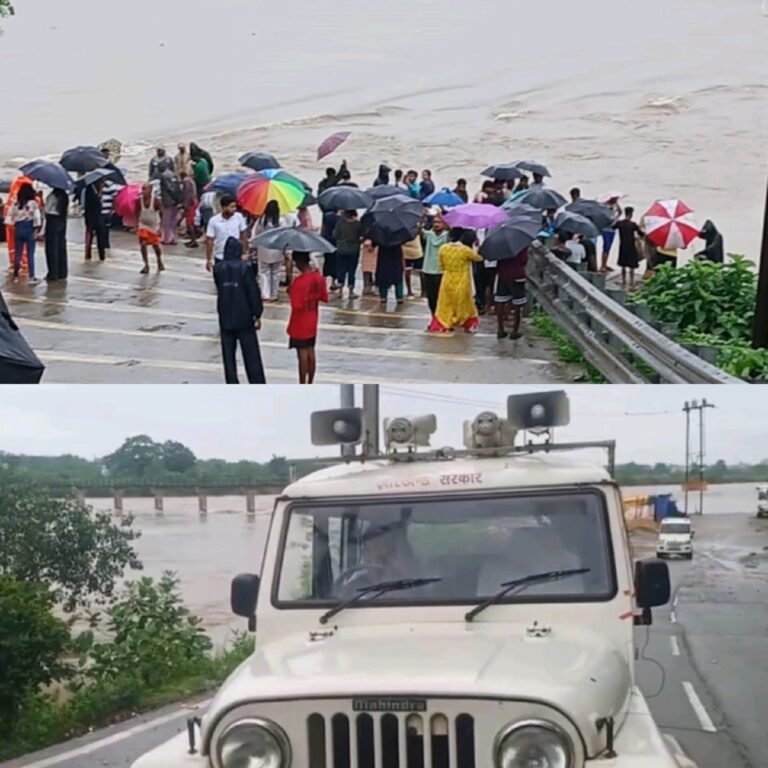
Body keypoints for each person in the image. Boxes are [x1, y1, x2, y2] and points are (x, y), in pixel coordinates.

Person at [213, 236, 266, 384]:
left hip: (225, 316)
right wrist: (257, 313)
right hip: (244, 317)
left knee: (228, 356)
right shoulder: (245, 268)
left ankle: (232, 383)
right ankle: (257, 383)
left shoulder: (218, 269)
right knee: (251, 355)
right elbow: (252, 292)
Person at [428, 227, 483, 333]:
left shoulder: (443, 248)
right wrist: (477, 246)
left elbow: (441, 266)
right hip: (462, 279)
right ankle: (463, 321)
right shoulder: (465, 250)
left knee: (446, 303)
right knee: (463, 302)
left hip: (447, 279)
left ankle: (445, 322)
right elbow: (478, 258)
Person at [287, 251, 328, 384]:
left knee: (302, 354)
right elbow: (324, 297)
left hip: (300, 321)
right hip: (312, 318)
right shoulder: (318, 277)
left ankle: (302, 382)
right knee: (311, 350)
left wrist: (291, 291)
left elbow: (296, 305)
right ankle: (310, 381)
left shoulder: (299, 282)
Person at [252, 200, 291, 301]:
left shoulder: (261, 220)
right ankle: (274, 294)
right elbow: (285, 236)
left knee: (263, 272)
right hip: (277, 250)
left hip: (263, 250)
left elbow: (255, 234)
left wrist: (254, 247)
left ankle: (265, 294)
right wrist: (286, 251)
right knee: (276, 273)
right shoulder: (281, 221)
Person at [7, 183, 42, 284]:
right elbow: (37, 218)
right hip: (29, 228)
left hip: (18, 229)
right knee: (30, 254)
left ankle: (15, 275)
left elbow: (9, 218)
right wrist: (37, 230)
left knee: (18, 252)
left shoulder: (16, 204)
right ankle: (31, 277)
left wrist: (15, 223)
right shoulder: (33, 204)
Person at [205, 194, 249, 273]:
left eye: (235, 206)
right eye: (231, 207)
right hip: (220, 256)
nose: (234, 209)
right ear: (224, 207)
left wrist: (244, 251)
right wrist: (209, 259)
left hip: (236, 256)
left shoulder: (239, 217)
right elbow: (209, 240)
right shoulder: (214, 221)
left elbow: (243, 234)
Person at [495, 248, 529, 340]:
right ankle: (515, 331)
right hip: (517, 275)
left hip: (503, 274)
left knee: (500, 301)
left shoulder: (500, 246)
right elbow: (523, 261)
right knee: (517, 303)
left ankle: (500, 329)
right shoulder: (521, 246)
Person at [421, 213, 449, 319]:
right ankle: (434, 317)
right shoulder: (429, 234)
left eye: (439, 222)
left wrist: (444, 219)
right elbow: (419, 232)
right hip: (428, 270)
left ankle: (441, 317)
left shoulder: (446, 235)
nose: (436, 224)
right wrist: (422, 219)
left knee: (441, 296)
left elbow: (451, 231)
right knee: (431, 297)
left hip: (441, 271)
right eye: (435, 222)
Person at [136, 183, 165, 274]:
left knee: (155, 246)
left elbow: (162, 213)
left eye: (145, 189)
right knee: (143, 244)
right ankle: (146, 265)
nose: (143, 191)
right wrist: (136, 225)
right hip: (143, 225)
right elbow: (137, 212)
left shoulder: (156, 201)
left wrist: (161, 227)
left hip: (153, 225)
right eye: (143, 189)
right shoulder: (139, 201)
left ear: (150, 191)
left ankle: (159, 260)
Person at [333, 209, 363, 298]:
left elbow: (335, 235)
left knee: (341, 269)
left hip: (341, 249)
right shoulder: (358, 224)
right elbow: (361, 236)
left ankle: (340, 290)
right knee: (352, 270)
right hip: (354, 250)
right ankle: (351, 291)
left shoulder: (340, 223)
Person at [612, 206, 644, 289]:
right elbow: (641, 234)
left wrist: (616, 216)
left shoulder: (620, 223)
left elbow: (612, 226)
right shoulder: (633, 225)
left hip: (622, 246)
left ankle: (623, 281)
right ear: (631, 214)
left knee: (623, 265)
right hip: (631, 247)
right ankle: (631, 282)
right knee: (632, 265)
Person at [43, 187, 69, 282]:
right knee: (61, 247)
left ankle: (53, 273)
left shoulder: (52, 196)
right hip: (62, 220)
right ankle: (62, 272)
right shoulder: (65, 196)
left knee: (51, 248)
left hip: (52, 220)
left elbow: (47, 209)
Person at [83, 180, 108, 261]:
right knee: (90, 235)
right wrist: (99, 196)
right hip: (90, 216)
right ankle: (88, 253)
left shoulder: (99, 190)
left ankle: (102, 254)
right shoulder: (89, 190)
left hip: (98, 216)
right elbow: (91, 204)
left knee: (101, 235)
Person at [159, 168, 183, 245]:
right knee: (173, 221)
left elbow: (169, 188)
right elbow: (177, 188)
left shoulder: (163, 176)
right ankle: (173, 238)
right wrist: (178, 199)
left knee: (166, 221)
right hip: (175, 201)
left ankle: (166, 239)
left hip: (168, 201)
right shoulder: (174, 175)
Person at [599, 195, 622, 273]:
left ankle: (605, 264)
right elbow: (608, 219)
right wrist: (610, 209)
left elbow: (620, 212)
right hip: (606, 230)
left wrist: (617, 204)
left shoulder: (613, 207)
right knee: (606, 247)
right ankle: (602, 266)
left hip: (612, 231)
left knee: (608, 248)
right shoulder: (606, 207)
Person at [180, 170, 199, 245]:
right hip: (194, 201)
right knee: (192, 221)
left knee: (189, 223)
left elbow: (187, 194)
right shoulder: (191, 181)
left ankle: (193, 240)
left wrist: (185, 205)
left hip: (190, 203)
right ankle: (193, 238)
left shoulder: (186, 181)